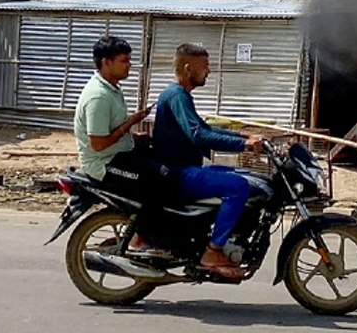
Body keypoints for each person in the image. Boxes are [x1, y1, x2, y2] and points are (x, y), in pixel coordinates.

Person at [152, 44, 263, 280]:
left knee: (242, 175)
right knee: (238, 186)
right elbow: (199, 135)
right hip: (178, 173)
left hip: (186, 168)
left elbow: (205, 128)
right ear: (187, 68)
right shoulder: (177, 95)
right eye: (205, 66)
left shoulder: (180, 95)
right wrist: (243, 145)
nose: (209, 71)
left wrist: (243, 135)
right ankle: (213, 251)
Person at [74, 35, 169, 254]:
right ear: (106, 62)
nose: (129, 65)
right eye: (124, 61)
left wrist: (134, 137)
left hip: (118, 153)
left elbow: (110, 130)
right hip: (104, 163)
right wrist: (130, 123)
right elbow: (98, 144)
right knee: (159, 178)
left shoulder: (112, 89)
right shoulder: (98, 96)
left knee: (168, 165)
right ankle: (141, 239)